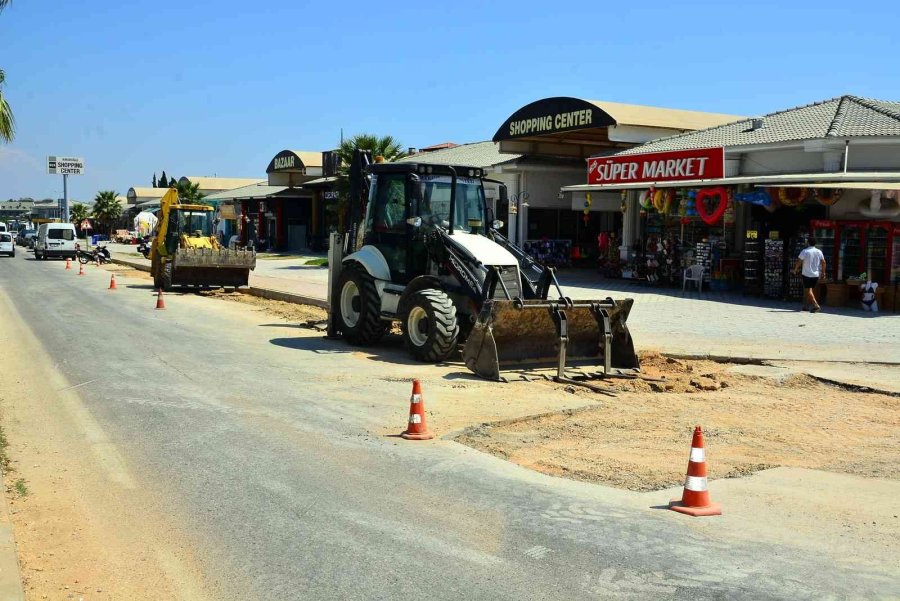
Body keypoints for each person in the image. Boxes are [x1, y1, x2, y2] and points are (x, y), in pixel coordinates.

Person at [794, 237, 826, 313]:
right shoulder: (819, 251)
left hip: (806, 274)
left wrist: (795, 269)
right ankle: (806, 306)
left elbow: (799, 261)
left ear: (808, 243)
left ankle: (816, 306)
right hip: (815, 274)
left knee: (808, 290)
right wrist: (823, 272)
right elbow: (823, 262)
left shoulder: (805, 251)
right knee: (809, 290)